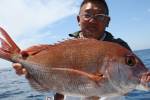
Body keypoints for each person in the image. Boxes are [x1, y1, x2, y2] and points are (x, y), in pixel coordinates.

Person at [13, 0, 150, 100]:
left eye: (100, 16)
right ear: (79, 19)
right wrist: (29, 68)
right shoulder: (65, 48)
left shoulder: (119, 47)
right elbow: (60, 88)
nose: (92, 20)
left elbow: (126, 86)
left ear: (107, 21)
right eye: (87, 15)